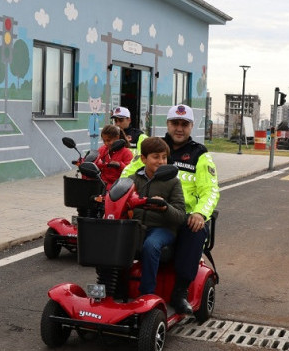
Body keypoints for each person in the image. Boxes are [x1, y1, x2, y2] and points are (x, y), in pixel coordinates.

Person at [122, 104, 220, 314]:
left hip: (182, 217)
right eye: (175, 123)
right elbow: (127, 176)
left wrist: (200, 213)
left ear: (191, 126)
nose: (179, 128)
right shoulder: (152, 147)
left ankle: (180, 292)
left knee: (195, 230)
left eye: (184, 124)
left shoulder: (199, 155)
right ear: (167, 124)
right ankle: (115, 285)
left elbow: (210, 191)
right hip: (145, 213)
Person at [128, 137, 186, 296]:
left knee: (151, 245)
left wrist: (165, 207)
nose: (161, 161)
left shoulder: (173, 182)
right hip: (137, 226)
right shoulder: (132, 180)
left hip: (162, 229)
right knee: (114, 239)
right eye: (156, 157)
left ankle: (147, 295)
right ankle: (113, 287)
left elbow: (181, 215)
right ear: (143, 158)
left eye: (164, 157)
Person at [94, 124, 133, 190]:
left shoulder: (126, 152)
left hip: (118, 188)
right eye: (104, 141)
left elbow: (130, 172)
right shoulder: (102, 149)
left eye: (108, 140)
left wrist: (120, 165)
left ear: (117, 137)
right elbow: (95, 162)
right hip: (102, 185)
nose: (106, 143)